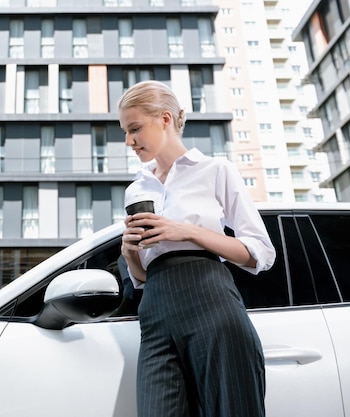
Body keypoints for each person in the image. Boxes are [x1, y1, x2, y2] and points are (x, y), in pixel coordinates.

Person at [118, 80, 276, 417]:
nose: (129, 141)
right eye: (125, 132)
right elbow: (143, 278)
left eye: (134, 129)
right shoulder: (135, 189)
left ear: (164, 119)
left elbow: (260, 251)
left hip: (209, 298)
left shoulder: (215, 170)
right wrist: (131, 254)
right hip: (156, 309)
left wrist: (185, 230)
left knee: (233, 408)